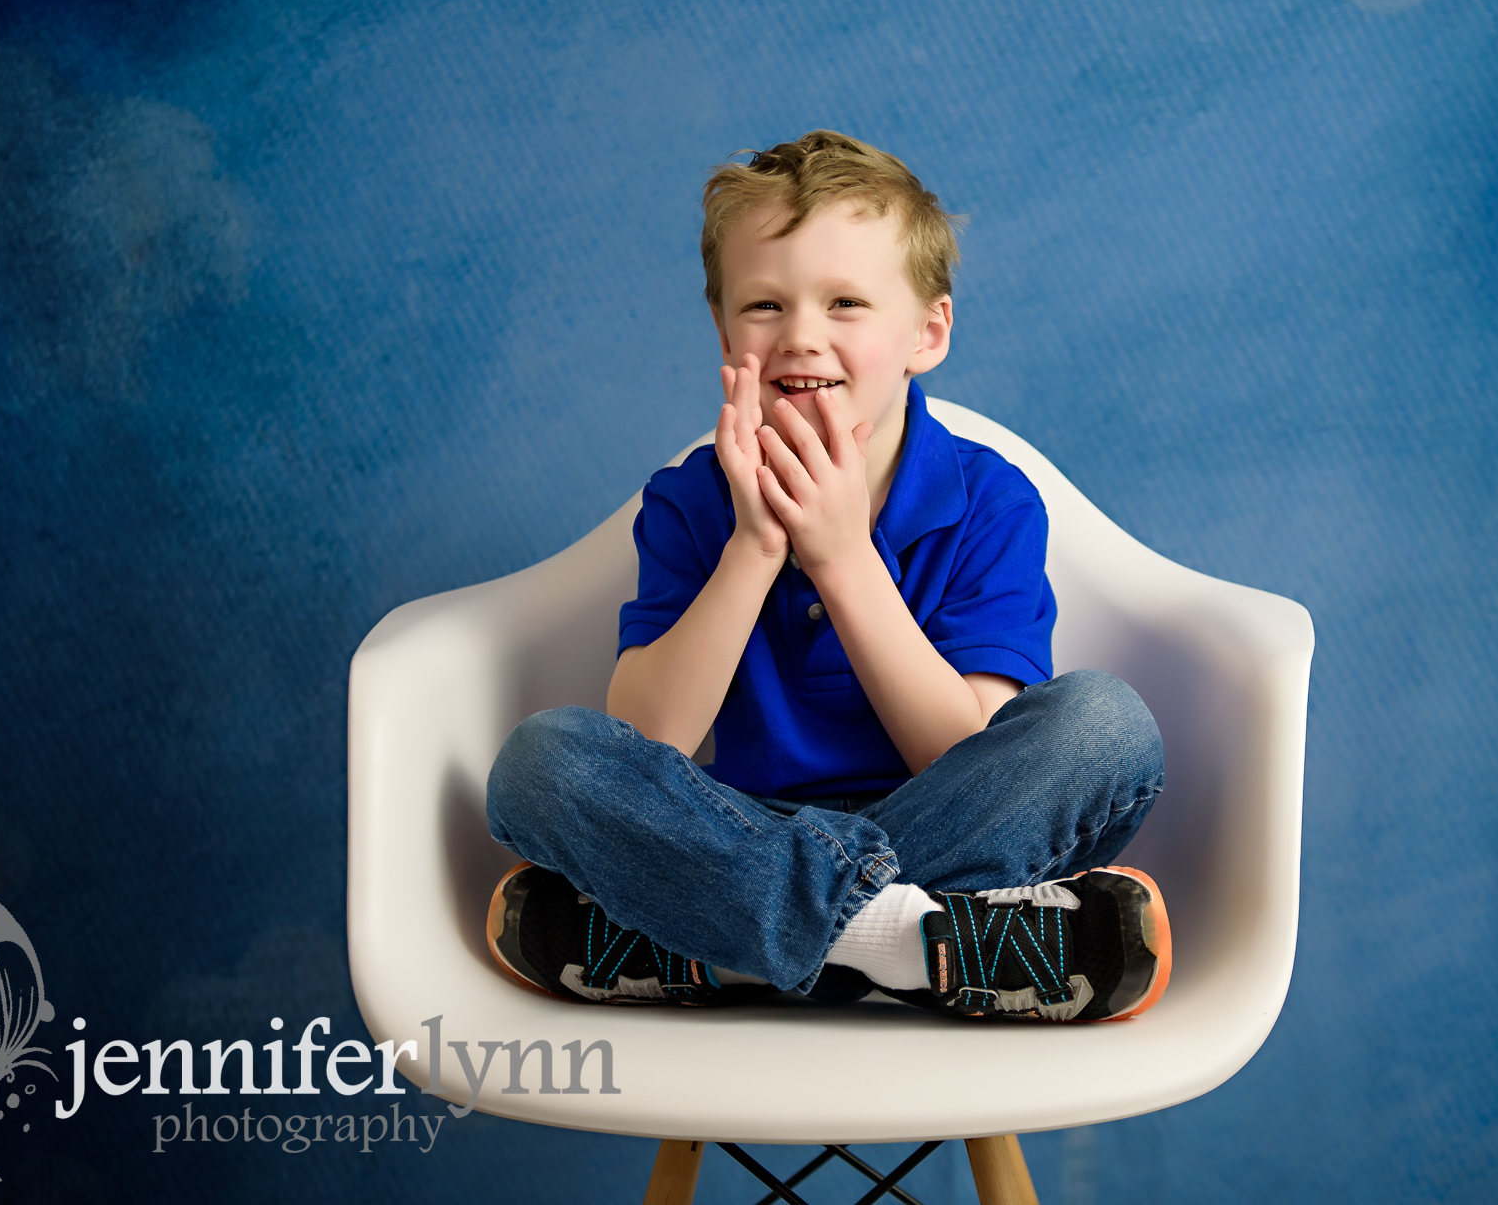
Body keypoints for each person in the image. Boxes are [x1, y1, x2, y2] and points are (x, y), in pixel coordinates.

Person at [484, 130, 1169, 1021]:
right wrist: (755, 548)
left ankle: (721, 948)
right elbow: (652, 736)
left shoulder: (991, 499)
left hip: (948, 818)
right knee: (540, 762)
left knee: (1106, 729)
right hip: (732, 826)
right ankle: (913, 947)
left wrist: (843, 557)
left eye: (846, 302)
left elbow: (960, 748)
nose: (802, 335)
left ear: (928, 332)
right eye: (764, 305)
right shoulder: (693, 502)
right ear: (725, 329)